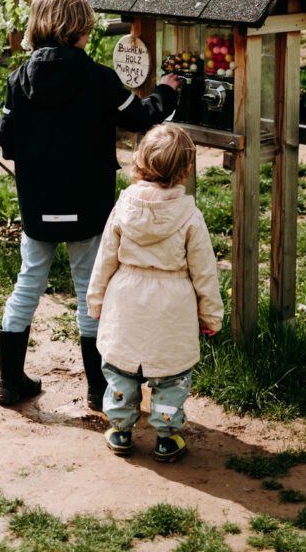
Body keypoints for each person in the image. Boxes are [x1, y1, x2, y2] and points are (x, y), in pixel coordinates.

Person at [0, 0, 179, 411]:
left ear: (37, 28)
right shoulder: (99, 79)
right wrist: (167, 90)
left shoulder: (18, 80)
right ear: (81, 30)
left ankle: (9, 383)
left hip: (38, 205)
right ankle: (99, 389)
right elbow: (142, 118)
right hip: (87, 205)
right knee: (88, 291)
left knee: (27, 284)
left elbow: (6, 141)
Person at [86, 122, 224, 463]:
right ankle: (166, 437)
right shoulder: (190, 216)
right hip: (171, 305)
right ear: (186, 170)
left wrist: (97, 302)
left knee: (120, 370)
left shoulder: (122, 208)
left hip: (125, 300)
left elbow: (104, 259)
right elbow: (204, 272)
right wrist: (210, 316)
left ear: (139, 162)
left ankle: (120, 430)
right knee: (171, 375)